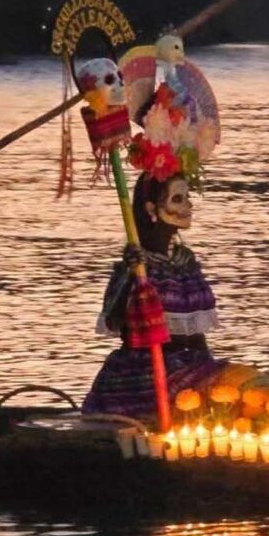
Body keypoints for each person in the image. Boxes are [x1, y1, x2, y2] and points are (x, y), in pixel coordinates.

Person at [82, 171, 227, 417]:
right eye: (178, 199)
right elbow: (114, 321)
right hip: (144, 372)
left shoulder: (185, 260)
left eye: (187, 197)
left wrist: (210, 367)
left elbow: (195, 333)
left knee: (238, 383)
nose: (189, 205)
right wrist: (130, 276)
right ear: (152, 208)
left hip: (189, 364)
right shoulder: (138, 264)